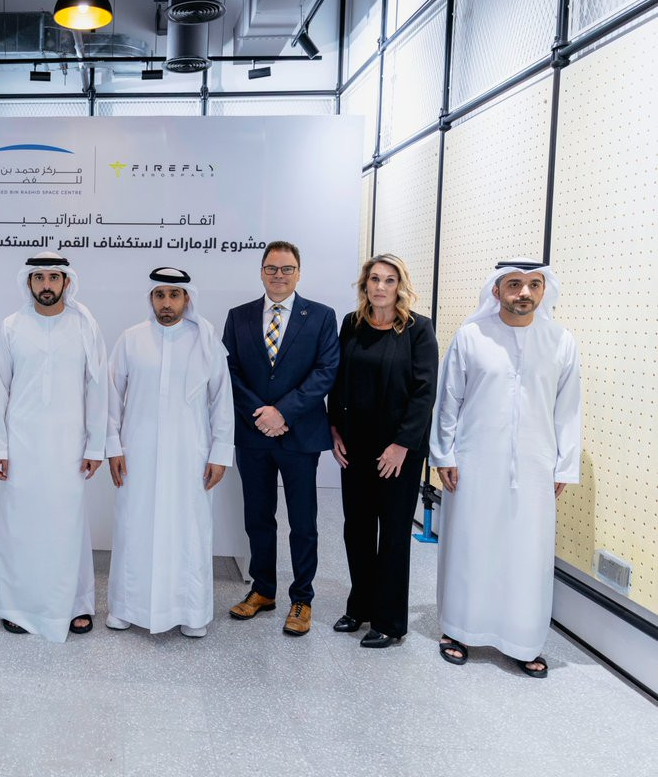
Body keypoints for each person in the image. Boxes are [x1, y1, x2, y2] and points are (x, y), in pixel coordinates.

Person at [430, 260, 580, 678]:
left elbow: (568, 409)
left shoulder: (561, 342)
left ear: (544, 291)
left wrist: (564, 465)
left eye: (534, 285)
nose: (524, 293)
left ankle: (523, 640)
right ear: (496, 291)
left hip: (535, 466)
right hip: (473, 463)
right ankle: (458, 629)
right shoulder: (471, 336)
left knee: (527, 553)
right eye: (514, 284)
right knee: (469, 545)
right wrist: (444, 454)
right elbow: (448, 401)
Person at [105, 268, 234, 638]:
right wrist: (113, 446)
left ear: (186, 299)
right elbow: (110, 397)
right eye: (159, 295)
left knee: (188, 529)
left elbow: (222, 401)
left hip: (190, 455)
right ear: (151, 298)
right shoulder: (131, 340)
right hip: (138, 453)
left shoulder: (206, 342)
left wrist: (219, 453)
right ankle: (126, 607)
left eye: (174, 295)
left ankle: (191, 612)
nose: (166, 303)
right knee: (134, 526)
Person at [0, 252, 107, 640]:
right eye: (39, 278)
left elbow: (97, 389)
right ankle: (18, 607)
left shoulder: (85, 325)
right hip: (22, 445)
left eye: (53, 277)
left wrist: (95, 446)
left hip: (69, 446)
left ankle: (75, 605)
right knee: (20, 527)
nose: (46, 285)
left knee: (67, 526)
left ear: (66, 282)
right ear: (29, 283)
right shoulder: (11, 326)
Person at [223, 240, 339, 636]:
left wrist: (283, 413)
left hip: (300, 435)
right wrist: (261, 414)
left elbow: (326, 371)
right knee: (258, 517)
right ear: (261, 272)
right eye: (271, 268)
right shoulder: (238, 316)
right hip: (254, 433)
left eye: (287, 268)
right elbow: (229, 371)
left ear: (298, 273)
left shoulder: (321, 316)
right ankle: (263, 590)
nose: (279, 275)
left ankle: (302, 598)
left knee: (303, 521)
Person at [327, 254, 437, 648]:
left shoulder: (418, 329)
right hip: (355, 446)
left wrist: (401, 444)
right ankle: (359, 606)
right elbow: (337, 381)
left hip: (399, 452)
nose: (380, 286)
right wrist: (333, 428)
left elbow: (424, 392)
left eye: (389, 280)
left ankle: (389, 621)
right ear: (365, 284)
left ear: (400, 286)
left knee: (392, 533)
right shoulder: (352, 324)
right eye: (374, 279)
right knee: (356, 529)